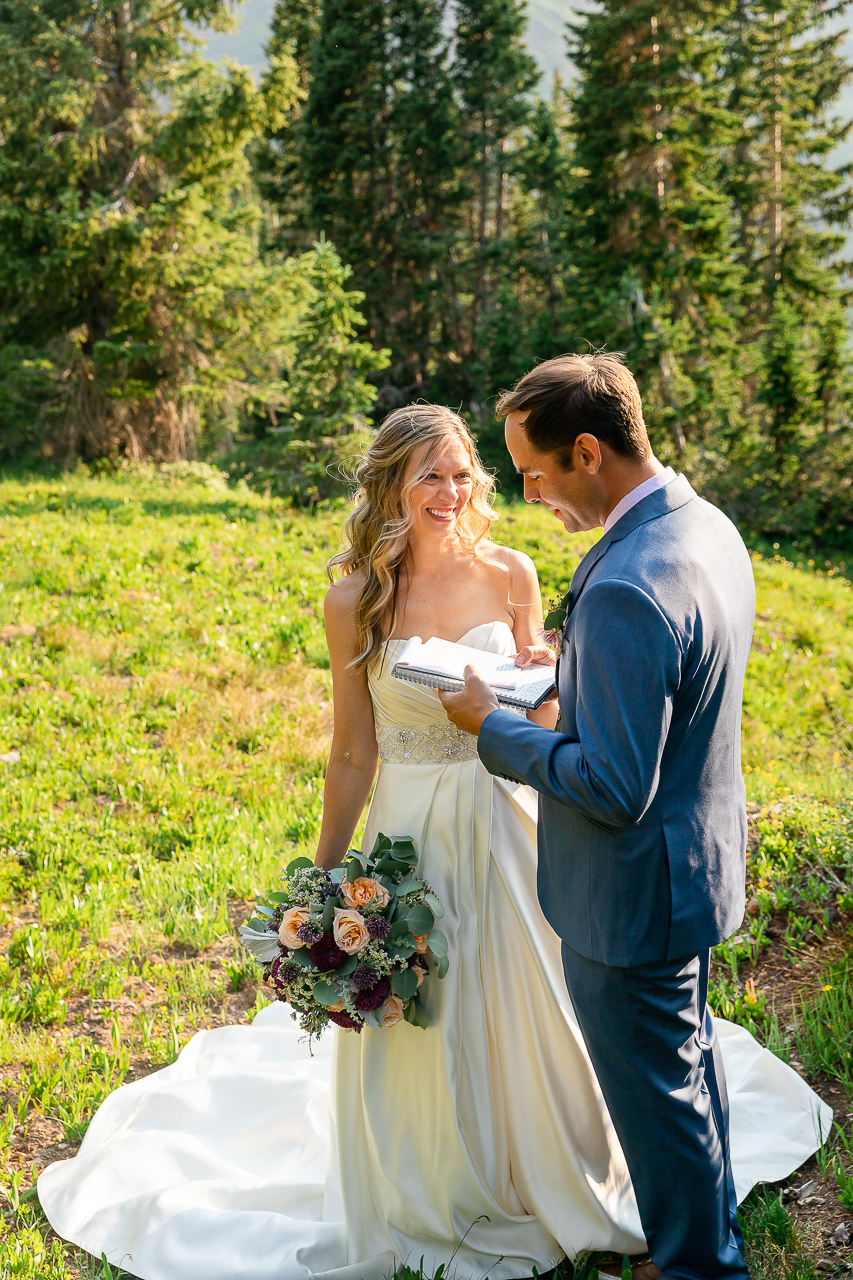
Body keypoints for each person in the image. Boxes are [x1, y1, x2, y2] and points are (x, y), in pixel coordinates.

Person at [38, 403, 829, 1280]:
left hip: (511, 813)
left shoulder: (513, 572)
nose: (451, 492)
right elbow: (351, 750)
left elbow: (556, 716)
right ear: (391, 486)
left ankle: (551, 1173)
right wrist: (325, 874)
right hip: (410, 829)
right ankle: (436, 1181)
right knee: (429, 1003)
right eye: (429, 476)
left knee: (541, 1000)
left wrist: (541, 678)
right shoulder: (355, 599)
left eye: (462, 473)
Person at [439, 354, 763, 1279]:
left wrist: (495, 727)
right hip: (692, 863)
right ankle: (696, 1242)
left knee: (657, 1095)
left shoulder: (625, 581)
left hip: (630, 894)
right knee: (686, 1071)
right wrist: (568, 688)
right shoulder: (702, 525)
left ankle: (700, 1267)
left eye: (534, 472)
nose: (528, 492)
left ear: (588, 451)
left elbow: (615, 787)